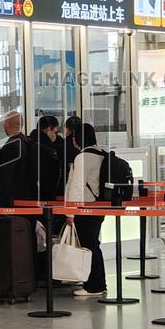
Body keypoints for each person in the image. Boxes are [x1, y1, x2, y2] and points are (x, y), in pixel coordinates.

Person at [64, 122, 107, 297]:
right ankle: (96, 283)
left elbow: (76, 187)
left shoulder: (82, 157)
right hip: (98, 205)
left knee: (89, 246)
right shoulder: (100, 153)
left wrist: (70, 212)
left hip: (84, 208)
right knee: (93, 244)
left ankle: (94, 286)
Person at [0, 112, 38, 206]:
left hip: (13, 201)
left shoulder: (12, 146)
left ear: (7, 124)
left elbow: (5, 177)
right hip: (28, 198)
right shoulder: (28, 143)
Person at [30, 115, 64, 201]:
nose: (56, 136)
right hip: (47, 197)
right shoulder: (49, 150)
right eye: (55, 132)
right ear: (49, 129)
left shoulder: (28, 144)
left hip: (30, 196)